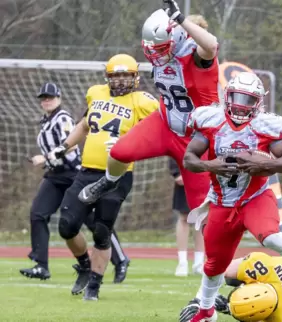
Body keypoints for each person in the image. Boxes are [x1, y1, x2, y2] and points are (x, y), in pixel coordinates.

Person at [181, 72, 282, 322]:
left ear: (258, 103)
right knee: (214, 264)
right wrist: (211, 165)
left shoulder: (267, 125)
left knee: (271, 236)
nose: (241, 105)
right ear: (227, 96)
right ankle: (206, 309)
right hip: (222, 201)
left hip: (254, 196)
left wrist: (265, 164)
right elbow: (189, 158)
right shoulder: (210, 121)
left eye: (248, 100)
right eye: (237, 97)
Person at [76, 2, 219, 214]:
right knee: (118, 152)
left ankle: (215, 243)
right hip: (165, 122)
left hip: (196, 138)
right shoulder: (162, 54)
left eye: (161, 49)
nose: (156, 55)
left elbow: (212, 45)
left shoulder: (195, 56)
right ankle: (109, 181)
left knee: (200, 210)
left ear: (177, 39)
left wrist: (180, 18)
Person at [50, 54, 158, 301]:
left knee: (101, 231)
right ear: (107, 77)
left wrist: (131, 144)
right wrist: (63, 146)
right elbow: (85, 125)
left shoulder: (143, 101)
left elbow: (158, 134)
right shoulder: (96, 93)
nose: (120, 80)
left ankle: (94, 287)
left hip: (118, 176)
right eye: (115, 75)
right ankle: (85, 266)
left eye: (125, 75)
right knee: (67, 225)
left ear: (135, 77)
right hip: (87, 172)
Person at [20, 83, 130, 283]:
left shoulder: (63, 119)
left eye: (50, 97)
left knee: (93, 222)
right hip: (55, 176)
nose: (46, 101)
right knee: (38, 213)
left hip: (73, 174)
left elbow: (71, 146)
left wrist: (44, 158)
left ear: (59, 98)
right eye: (43, 98)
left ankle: (120, 259)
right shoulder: (45, 121)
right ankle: (41, 265)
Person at [180, 252, 282, 322]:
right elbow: (218, 268)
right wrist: (202, 301)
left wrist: (229, 309)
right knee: (228, 276)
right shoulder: (261, 265)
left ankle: (229, 308)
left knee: (250, 312)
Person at [168, 158, 204, 276]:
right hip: (185, 179)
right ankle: (182, 262)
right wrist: (176, 172)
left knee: (201, 219)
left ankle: (199, 263)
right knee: (184, 218)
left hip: (203, 180)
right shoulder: (181, 139)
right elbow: (173, 151)